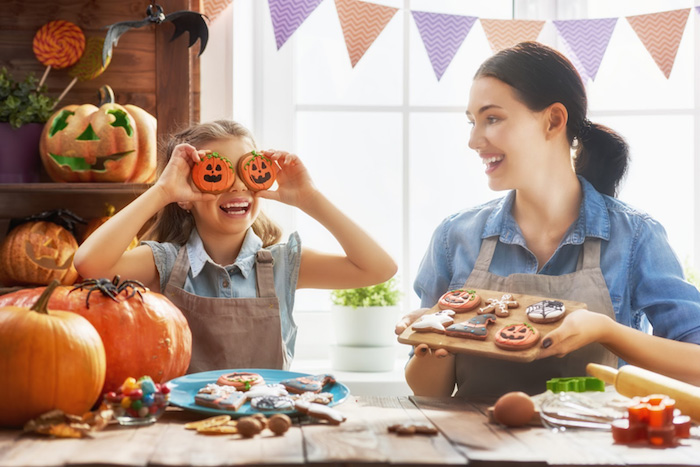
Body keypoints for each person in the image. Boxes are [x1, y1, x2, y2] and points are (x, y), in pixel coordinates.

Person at [396, 42, 700, 399]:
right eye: (472, 122)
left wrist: (606, 331)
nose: (474, 140)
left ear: (553, 120)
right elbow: (429, 390)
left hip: (591, 450)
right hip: (477, 450)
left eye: (492, 118)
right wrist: (433, 343)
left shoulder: (634, 236)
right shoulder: (455, 237)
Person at [74, 120, 397, 373]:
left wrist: (309, 198)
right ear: (187, 195)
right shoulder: (165, 263)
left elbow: (380, 269)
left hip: (266, 427)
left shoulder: (284, 264)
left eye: (246, 170)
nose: (238, 186)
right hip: (185, 430)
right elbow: (90, 265)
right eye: (218, 174)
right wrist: (162, 191)